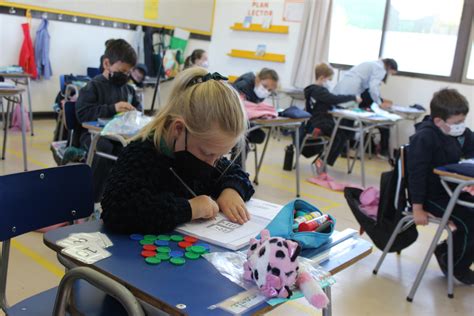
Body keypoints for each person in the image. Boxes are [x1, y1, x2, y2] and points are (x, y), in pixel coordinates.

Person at [101, 68, 255, 234]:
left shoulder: (207, 155)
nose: (213, 164)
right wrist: (189, 208)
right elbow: (117, 210)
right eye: (207, 153)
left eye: (220, 156)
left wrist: (231, 190)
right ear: (179, 129)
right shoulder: (141, 154)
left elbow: (237, 175)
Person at [408, 88, 474, 285]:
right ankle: (456, 265)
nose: (461, 126)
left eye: (463, 121)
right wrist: (417, 207)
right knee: (469, 223)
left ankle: (446, 250)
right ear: (438, 121)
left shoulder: (458, 133)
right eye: (457, 123)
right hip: (431, 197)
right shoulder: (425, 138)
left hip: (450, 191)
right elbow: (416, 175)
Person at [76, 39, 141, 203]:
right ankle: (91, 201)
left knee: (135, 150)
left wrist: (134, 114)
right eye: (122, 71)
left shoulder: (128, 90)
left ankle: (122, 199)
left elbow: (138, 111)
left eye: (128, 72)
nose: (125, 76)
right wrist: (113, 108)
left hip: (119, 136)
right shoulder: (94, 86)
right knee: (104, 149)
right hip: (92, 137)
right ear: (107, 63)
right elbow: (83, 114)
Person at [303, 63, 362, 173]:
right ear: (322, 78)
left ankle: (323, 160)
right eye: (329, 79)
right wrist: (353, 97)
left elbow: (328, 103)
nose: (330, 82)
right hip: (320, 122)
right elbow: (333, 99)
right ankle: (322, 161)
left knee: (342, 134)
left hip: (315, 121)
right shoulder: (320, 91)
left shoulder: (312, 90)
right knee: (341, 135)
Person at [333, 58, 398, 157]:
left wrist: (378, 100)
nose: (387, 75)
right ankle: (339, 149)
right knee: (346, 121)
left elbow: (371, 87)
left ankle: (341, 149)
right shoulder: (380, 68)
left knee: (345, 119)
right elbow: (373, 88)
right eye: (390, 73)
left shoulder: (373, 65)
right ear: (389, 67)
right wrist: (379, 103)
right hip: (351, 89)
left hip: (346, 88)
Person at [232, 68, 279, 166]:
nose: (266, 91)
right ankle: (233, 171)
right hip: (230, 121)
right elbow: (234, 109)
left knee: (260, 136)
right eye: (265, 86)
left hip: (243, 122)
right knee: (243, 142)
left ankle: (235, 169)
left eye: (270, 90)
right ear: (257, 79)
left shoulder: (258, 90)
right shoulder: (243, 85)